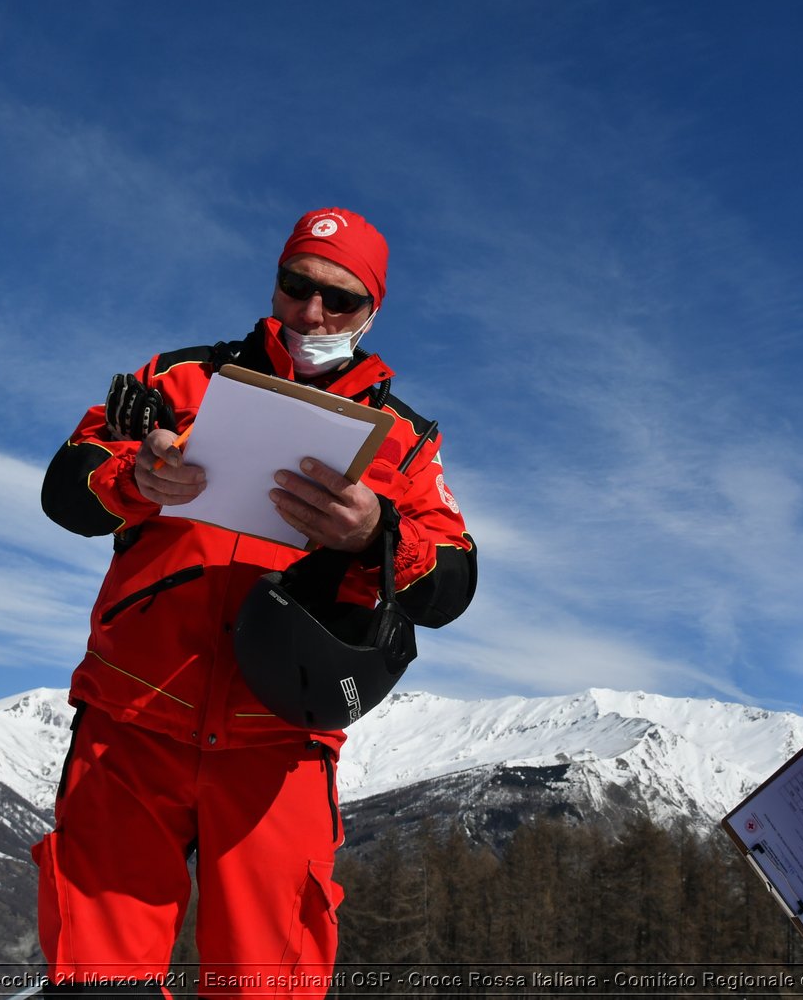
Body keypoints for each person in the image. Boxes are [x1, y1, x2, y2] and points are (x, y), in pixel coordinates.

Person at [33, 207, 477, 996]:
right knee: (98, 980)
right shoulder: (178, 380)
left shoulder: (402, 439)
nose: (312, 312)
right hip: (133, 721)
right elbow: (67, 489)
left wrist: (379, 529)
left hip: (282, 740)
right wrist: (133, 476)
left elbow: (451, 583)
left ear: (372, 311)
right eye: (296, 285)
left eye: (338, 300)